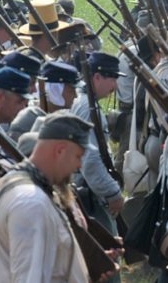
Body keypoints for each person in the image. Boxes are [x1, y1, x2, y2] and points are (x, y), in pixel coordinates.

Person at [0, 112, 96, 282]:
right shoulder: (32, 204)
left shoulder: (21, 185)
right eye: (78, 156)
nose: (79, 165)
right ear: (60, 150)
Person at [71, 52, 125, 237]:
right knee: (108, 253)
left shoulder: (84, 102)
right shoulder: (88, 109)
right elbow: (91, 160)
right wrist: (113, 193)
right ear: (97, 77)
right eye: (113, 78)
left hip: (88, 188)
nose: (115, 85)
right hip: (90, 194)